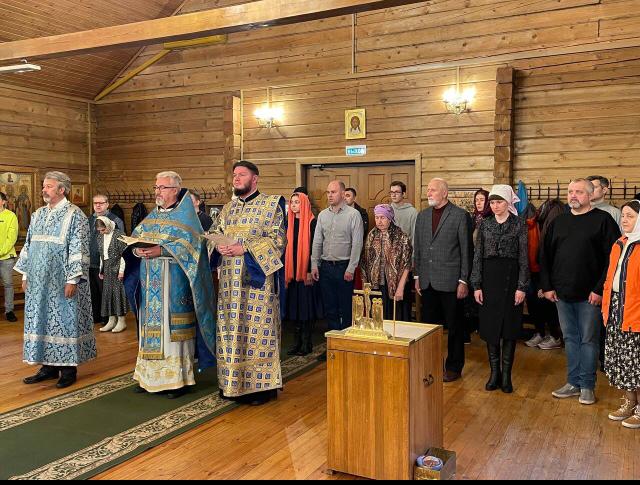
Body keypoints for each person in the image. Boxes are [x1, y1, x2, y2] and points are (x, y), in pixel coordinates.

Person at [125, 171, 217, 399]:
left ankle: (178, 381)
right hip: (150, 286)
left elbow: (195, 247)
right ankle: (148, 378)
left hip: (174, 285)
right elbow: (136, 238)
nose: (157, 191)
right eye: (156, 187)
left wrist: (162, 250)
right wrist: (137, 250)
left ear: (175, 190)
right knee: (150, 331)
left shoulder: (186, 218)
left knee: (174, 333)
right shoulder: (152, 216)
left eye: (162, 187)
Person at [541, 179, 621, 405]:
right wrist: (547, 286)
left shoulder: (603, 221)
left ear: (590, 195)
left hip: (590, 296)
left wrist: (599, 289)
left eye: (578, 192)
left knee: (588, 340)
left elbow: (613, 259)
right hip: (561, 294)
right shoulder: (558, 221)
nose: (573, 195)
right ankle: (573, 383)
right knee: (570, 339)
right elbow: (545, 256)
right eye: (570, 192)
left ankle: (587, 386)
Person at [214, 161, 286, 406]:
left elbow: (278, 241)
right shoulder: (227, 209)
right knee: (231, 331)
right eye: (234, 174)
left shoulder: (271, 205)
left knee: (257, 333)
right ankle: (231, 383)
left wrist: (243, 247)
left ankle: (261, 388)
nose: (236, 178)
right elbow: (213, 235)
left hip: (257, 285)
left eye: (241, 175)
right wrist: (218, 245)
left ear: (254, 179)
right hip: (229, 285)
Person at [14, 172, 96, 389]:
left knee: (64, 322)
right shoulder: (38, 214)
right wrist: (25, 274)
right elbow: (29, 245)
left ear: (62, 189)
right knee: (41, 320)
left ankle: (68, 370)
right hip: (38, 282)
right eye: (44, 186)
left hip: (62, 281)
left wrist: (73, 279)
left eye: (49, 186)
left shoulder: (75, 215)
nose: (44, 190)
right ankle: (48, 367)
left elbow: (79, 249)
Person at [471, 185, 529, 393]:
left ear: (508, 202)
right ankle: (494, 373)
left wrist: (522, 286)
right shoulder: (485, 224)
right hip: (489, 281)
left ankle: (506, 376)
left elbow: (524, 258)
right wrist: (476, 284)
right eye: (493, 202)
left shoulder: (519, 224)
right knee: (490, 328)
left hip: (511, 280)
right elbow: (478, 256)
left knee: (509, 329)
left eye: (499, 202)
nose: (495, 206)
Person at [414, 178, 472, 382]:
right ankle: (431, 365)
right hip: (427, 281)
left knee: (455, 327)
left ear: (444, 193)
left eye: (433, 190)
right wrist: (417, 276)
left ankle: (454, 367)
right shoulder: (422, 216)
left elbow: (466, 251)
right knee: (429, 328)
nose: (428, 193)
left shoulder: (460, 216)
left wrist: (464, 281)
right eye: (428, 190)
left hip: (451, 282)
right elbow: (418, 248)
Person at [603, 200, 640, 428]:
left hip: (636, 310)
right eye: (623, 215)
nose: (624, 220)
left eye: (630, 216)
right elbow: (611, 277)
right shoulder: (619, 243)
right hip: (617, 307)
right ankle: (629, 402)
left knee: (637, 361)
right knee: (623, 361)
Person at [312, 181, 364, 337]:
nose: (329, 195)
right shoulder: (323, 215)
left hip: (344, 267)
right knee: (330, 308)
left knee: (345, 307)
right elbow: (317, 241)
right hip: (326, 267)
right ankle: (333, 340)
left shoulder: (353, 215)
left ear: (342, 194)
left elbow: (357, 243)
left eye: (333, 192)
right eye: (328, 192)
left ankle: (346, 341)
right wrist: (314, 264)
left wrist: (351, 268)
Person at [285, 191, 322, 356]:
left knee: (305, 309)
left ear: (304, 203)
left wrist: (308, 270)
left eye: (297, 202)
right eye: (292, 202)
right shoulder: (289, 221)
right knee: (294, 308)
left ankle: (307, 343)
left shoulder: (312, 222)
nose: (293, 205)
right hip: (292, 271)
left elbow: (315, 248)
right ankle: (296, 343)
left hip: (305, 271)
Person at [525, 199, 565, 350]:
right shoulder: (536, 221)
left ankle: (555, 336)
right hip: (535, 270)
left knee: (547, 304)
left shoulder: (555, 219)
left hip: (548, 272)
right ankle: (540, 332)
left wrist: (546, 284)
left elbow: (554, 254)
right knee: (534, 303)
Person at [361, 204, 412, 319]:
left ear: (390, 218)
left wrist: (401, 287)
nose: (379, 221)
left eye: (382, 217)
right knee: (377, 319)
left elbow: (407, 264)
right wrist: (366, 285)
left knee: (395, 319)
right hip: (376, 286)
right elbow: (364, 262)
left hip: (396, 285)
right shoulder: (371, 235)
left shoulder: (401, 236)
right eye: (377, 217)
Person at [88, 194, 124, 325]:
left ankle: (108, 319)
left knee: (106, 292)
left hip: (108, 263)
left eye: (101, 203)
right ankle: (96, 317)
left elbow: (121, 242)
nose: (98, 205)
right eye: (95, 203)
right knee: (93, 292)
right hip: (90, 261)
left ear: (107, 204)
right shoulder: (89, 220)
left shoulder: (115, 220)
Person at [389, 181, 418, 321]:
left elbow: (415, 237)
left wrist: (412, 261)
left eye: (397, 192)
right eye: (391, 192)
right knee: (389, 301)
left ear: (404, 194)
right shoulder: (387, 210)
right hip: (388, 262)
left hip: (404, 262)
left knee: (404, 299)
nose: (394, 195)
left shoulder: (412, 212)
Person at [95, 217, 128, 333]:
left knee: (118, 294)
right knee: (108, 294)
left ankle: (121, 321)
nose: (101, 232)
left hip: (117, 267)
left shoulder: (119, 235)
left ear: (108, 226)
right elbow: (102, 255)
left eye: (103, 230)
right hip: (107, 268)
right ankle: (111, 320)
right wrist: (101, 270)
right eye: (99, 230)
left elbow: (124, 255)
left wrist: (121, 271)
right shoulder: (100, 237)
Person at [0, 192, 18, 322]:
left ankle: (9, 311)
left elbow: (11, 237)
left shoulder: (11, 216)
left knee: (8, 284)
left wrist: (1, 251)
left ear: (3, 202)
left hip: (6, 257)